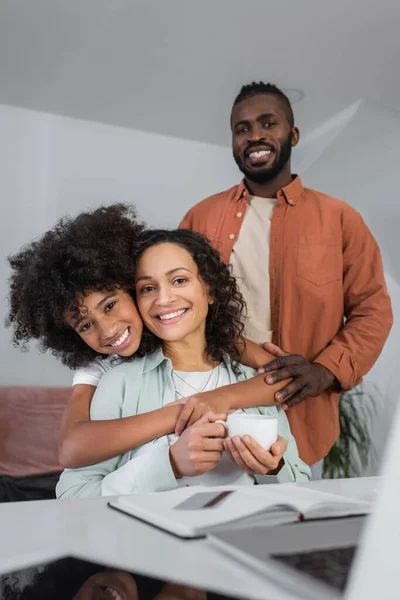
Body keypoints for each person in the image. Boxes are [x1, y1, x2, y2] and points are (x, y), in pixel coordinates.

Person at [179, 81, 393, 477]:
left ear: (292, 135)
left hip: (300, 414)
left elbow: (373, 311)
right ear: (233, 141)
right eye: (242, 128)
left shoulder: (340, 219)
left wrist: (326, 370)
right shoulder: (199, 218)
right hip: (208, 408)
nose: (255, 135)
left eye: (268, 123)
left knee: (286, 527)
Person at [7, 204, 289, 471]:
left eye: (109, 306)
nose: (107, 331)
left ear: (131, 290)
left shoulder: (205, 337)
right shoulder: (100, 368)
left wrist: (218, 398)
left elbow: (284, 376)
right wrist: (182, 413)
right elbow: (71, 448)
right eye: (85, 325)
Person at [56, 229, 310, 498]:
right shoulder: (118, 383)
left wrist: (273, 468)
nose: (164, 299)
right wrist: (169, 465)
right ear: (137, 300)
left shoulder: (252, 378)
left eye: (179, 280)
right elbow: (72, 494)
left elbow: (300, 485)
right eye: (148, 288)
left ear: (209, 289)